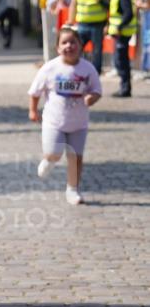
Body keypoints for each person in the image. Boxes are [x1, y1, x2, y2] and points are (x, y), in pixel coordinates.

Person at [28, 25, 102, 206]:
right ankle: (49, 160)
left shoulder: (88, 68)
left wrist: (91, 98)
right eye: (64, 42)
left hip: (79, 123)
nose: (69, 46)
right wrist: (33, 110)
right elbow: (35, 92)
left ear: (80, 45)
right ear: (58, 48)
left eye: (73, 42)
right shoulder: (50, 68)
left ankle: (72, 189)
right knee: (54, 152)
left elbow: (97, 90)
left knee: (76, 157)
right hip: (54, 121)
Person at [67, 0, 109, 74]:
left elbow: (110, 3)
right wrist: (70, 20)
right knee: (77, 49)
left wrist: (107, 24)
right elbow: (73, 3)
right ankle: (77, 71)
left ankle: (95, 74)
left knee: (97, 52)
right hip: (82, 23)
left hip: (98, 24)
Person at [107, 0, 137, 98]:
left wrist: (119, 27)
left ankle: (125, 89)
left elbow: (128, 14)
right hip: (120, 33)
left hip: (122, 33)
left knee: (121, 61)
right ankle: (124, 87)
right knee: (120, 60)